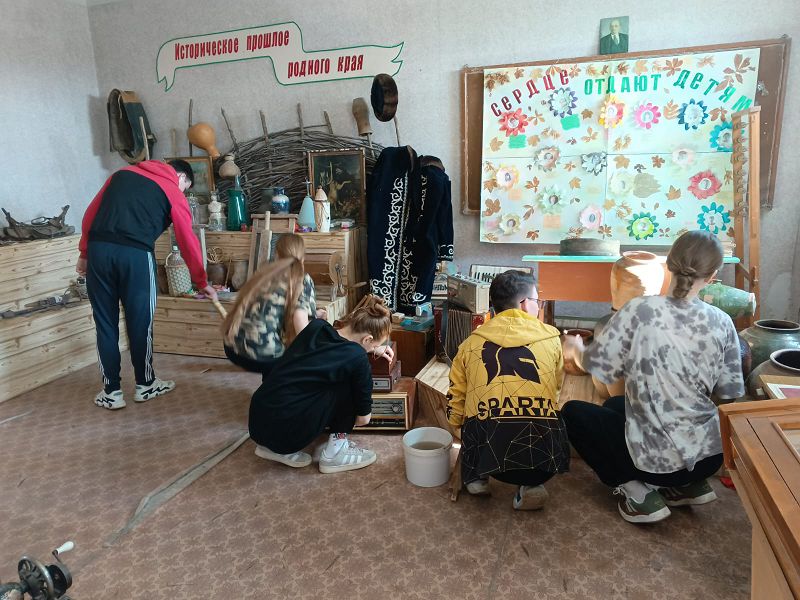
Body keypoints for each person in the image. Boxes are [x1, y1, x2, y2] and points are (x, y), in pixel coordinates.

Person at [561, 230, 745, 524]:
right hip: (708, 456)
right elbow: (729, 394)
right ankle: (688, 485)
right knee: (615, 406)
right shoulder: (723, 321)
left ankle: (638, 493)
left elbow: (599, 367)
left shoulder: (640, 310)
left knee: (573, 412)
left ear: (668, 264)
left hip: (655, 462)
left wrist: (575, 348)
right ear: (712, 276)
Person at [76, 159, 217, 410]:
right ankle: (146, 384)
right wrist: (201, 281)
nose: (184, 191)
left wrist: (85, 253)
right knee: (140, 323)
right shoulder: (173, 190)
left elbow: (90, 215)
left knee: (105, 324)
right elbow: (187, 238)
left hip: (99, 251)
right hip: (136, 255)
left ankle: (111, 392)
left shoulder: (122, 174)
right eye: (186, 187)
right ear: (182, 177)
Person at [446, 270, 569, 510]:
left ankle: (476, 479)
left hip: (488, 455)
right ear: (524, 304)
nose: (539, 306)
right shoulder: (552, 340)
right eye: (537, 301)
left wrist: (456, 425)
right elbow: (555, 389)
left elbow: (456, 394)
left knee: (472, 414)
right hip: (543, 458)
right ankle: (531, 485)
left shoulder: (470, 344)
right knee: (550, 415)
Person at [248, 295, 394, 473]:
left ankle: (270, 448)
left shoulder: (316, 326)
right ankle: (335, 454)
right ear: (367, 339)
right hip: (287, 434)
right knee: (347, 383)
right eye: (374, 346)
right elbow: (364, 418)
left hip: (258, 420)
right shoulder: (357, 358)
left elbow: (341, 348)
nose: (373, 350)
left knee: (323, 379)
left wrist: (372, 348)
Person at [221, 233, 326, 376]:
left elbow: (270, 310)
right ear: (303, 256)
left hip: (232, 347)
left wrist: (315, 314)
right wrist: (315, 358)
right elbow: (300, 321)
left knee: (275, 337)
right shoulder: (301, 278)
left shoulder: (264, 273)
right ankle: (279, 385)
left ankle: (270, 381)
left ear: (276, 254)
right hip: (263, 355)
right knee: (298, 347)